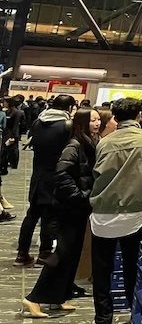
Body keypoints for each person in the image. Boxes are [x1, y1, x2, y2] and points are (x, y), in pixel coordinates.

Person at [21, 107, 100, 318]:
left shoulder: (88, 143)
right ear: (81, 122)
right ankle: (33, 298)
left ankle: (58, 296)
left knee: (71, 254)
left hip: (78, 208)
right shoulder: (74, 145)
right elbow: (62, 174)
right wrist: (79, 196)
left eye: (98, 119)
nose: (97, 123)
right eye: (92, 120)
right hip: (69, 208)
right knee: (62, 253)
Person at [90, 98, 142, 324]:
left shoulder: (104, 142)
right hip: (135, 212)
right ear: (139, 115)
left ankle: (103, 317)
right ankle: (134, 313)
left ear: (115, 117)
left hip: (102, 211)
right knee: (132, 267)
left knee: (101, 270)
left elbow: (96, 173)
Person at [15, 94, 75, 266]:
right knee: (49, 216)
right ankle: (45, 253)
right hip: (54, 174)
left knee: (32, 215)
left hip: (38, 173)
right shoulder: (66, 125)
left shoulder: (38, 122)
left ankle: (22, 254)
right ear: (69, 108)